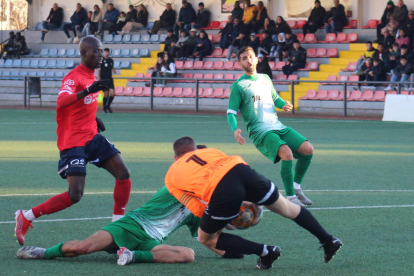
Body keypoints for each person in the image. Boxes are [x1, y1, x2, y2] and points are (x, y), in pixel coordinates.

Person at [14, 37, 132, 246]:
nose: (99, 56)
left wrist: (93, 117)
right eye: (95, 52)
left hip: (92, 136)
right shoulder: (73, 77)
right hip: (73, 141)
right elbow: (61, 102)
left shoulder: (92, 75)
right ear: (84, 54)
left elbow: (82, 105)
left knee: (123, 174)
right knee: (75, 195)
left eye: (100, 52)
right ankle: (26, 216)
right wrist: (88, 90)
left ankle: (118, 228)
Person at [165, 136, 342, 269]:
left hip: (221, 187)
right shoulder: (207, 151)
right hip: (242, 169)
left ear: (175, 157)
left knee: (207, 238)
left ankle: (266, 251)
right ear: (196, 148)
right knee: (288, 208)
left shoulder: (171, 176)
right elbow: (228, 172)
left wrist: (219, 220)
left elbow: (194, 206)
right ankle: (328, 240)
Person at [16, 182, 236, 265]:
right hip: (131, 226)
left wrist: (231, 249)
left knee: (187, 255)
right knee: (82, 248)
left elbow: (206, 239)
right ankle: (43, 252)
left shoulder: (201, 211)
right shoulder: (175, 186)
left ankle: (130, 255)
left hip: (150, 242)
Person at [228, 46, 313, 206]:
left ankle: (296, 188)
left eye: (250, 56)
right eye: (244, 58)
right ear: (239, 63)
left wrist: (284, 105)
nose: (249, 60)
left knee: (308, 149)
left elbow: (274, 98)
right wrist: (235, 129)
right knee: (286, 153)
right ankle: (290, 198)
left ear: (256, 58)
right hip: (260, 131)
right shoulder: (238, 86)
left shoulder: (265, 78)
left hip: (277, 126)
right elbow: (231, 112)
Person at [97, 48, 117, 113]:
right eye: (105, 52)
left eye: (107, 52)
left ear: (109, 53)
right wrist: (98, 79)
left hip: (110, 79)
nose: (106, 53)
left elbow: (112, 66)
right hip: (103, 79)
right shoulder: (101, 60)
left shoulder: (111, 60)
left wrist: (114, 70)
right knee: (105, 94)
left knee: (112, 94)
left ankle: (108, 105)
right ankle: (104, 108)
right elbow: (98, 70)